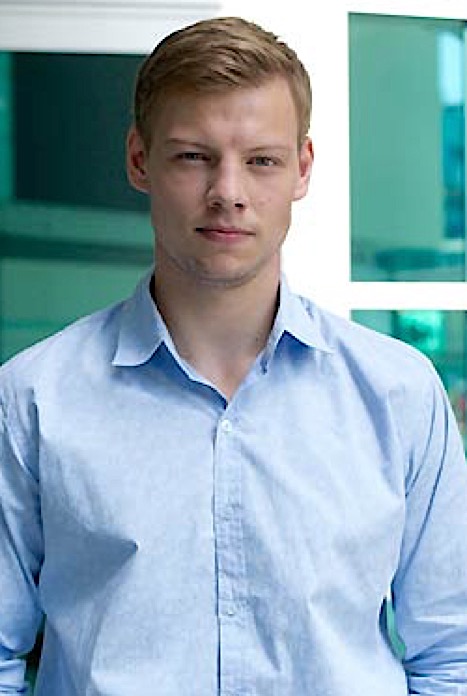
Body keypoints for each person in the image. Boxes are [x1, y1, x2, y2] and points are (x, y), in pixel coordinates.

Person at [0, 15, 466, 696]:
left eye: (261, 160)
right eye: (193, 156)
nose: (228, 192)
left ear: (302, 168)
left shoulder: (399, 395)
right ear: (139, 160)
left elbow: (453, 658)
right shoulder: (32, 399)